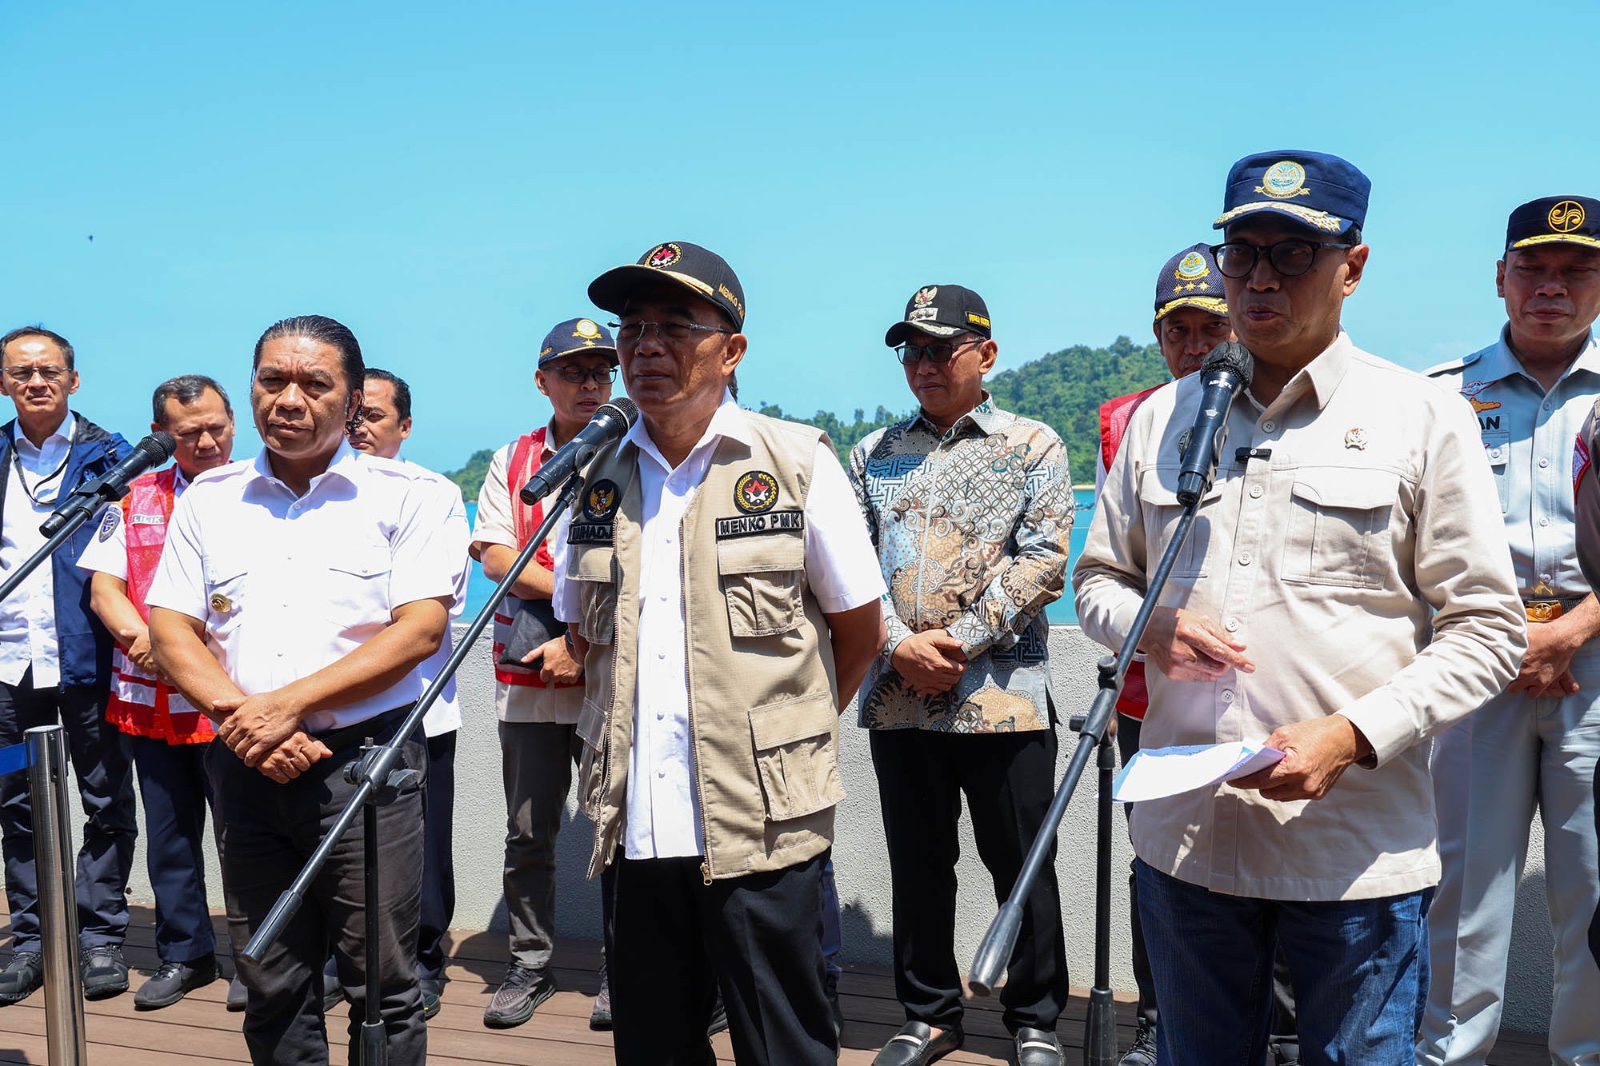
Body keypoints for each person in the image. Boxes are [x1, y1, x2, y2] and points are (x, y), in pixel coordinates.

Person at [1074, 151, 1527, 1066]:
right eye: (1242, 253)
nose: (1260, 279)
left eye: (1293, 254)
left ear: (1352, 268)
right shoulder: (1164, 420)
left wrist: (1354, 735)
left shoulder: (1424, 418)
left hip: (1354, 854)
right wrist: (1147, 627)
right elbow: (1096, 583)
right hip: (1188, 845)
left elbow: (1488, 628)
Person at [555, 240, 886, 1066]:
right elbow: (581, 635)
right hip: (636, 820)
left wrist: (781, 736)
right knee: (656, 1044)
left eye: (675, 325)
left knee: (783, 1043)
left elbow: (859, 631)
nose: (645, 346)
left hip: (759, 821)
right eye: (631, 328)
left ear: (731, 350)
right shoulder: (595, 475)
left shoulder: (795, 462)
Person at [148, 315, 466, 1066]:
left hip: (366, 767)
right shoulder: (210, 499)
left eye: (314, 384)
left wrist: (284, 707)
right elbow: (170, 630)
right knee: (270, 977)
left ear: (354, 400)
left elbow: (419, 631)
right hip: (244, 761)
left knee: (382, 989)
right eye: (272, 380)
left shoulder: (413, 495)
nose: (288, 399)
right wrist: (248, 723)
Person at [851, 285, 1073, 1066]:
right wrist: (895, 643)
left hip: (1003, 699)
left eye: (939, 349)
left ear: (986, 354)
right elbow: (847, 569)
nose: (923, 365)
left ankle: (1037, 1019)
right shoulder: (873, 453)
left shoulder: (1034, 445)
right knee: (917, 863)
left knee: (1021, 862)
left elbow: (1046, 561)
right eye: (911, 351)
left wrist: (959, 642)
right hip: (898, 699)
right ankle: (930, 1014)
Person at [1419, 195, 1600, 1066]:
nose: (1552, 287)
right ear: (1500, 277)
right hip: (1471, 670)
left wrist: (1573, 628)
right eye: (1533, 267)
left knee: (1596, 895)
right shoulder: (1441, 396)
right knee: (1463, 893)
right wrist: (1508, 637)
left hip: (1595, 668)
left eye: (1576, 270)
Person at [1095, 245, 1235, 1066]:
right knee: (1157, 876)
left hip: (1253, 693)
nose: (1192, 346)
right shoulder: (1133, 419)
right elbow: (1118, 558)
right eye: (1175, 330)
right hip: (1147, 700)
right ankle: (1158, 1023)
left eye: (1207, 327)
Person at [467, 317, 617, 1030]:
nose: (589, 384)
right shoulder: (515, 457)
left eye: (600, 372)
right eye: (573, 372)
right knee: (529, 830)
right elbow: (494, 553)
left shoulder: (633, 448)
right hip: (525, 676)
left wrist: (579, 637)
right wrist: (569, 591)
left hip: (608, 674)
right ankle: (529, 963)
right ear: (542, 380)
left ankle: (627, 964)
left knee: (619, 826)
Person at [76, 375, 235, 1010]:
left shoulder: (260, 491)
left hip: (230, 698)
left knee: (244, 833)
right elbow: (104, 589)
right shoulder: (132, 496)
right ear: (160, 435)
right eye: (187, 430)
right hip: (149, 697)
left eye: (215, 426)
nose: (204, 440)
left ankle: (258, 958)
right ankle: (185, 952)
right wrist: (148, 641)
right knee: (170, 834)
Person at [0, 326, 137, 1005]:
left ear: (73, 380)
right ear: (4, 383)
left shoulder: (111, 458)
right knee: (14, 803)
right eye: (21, 372)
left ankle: (101, 936)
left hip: (89, 663)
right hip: (7, 675)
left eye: (49, 370)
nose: (36, 381)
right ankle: (31, 941)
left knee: (106, 798)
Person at [349, 366, 470, 1022]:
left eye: (375, 414)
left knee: (423, 848)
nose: (360, 425)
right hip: (334, 709)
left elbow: (428, 602)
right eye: (353, 413)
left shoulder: (433, 494)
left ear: (405, 426)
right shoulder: (314, 493)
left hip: (420, 706)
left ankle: (425, 960)